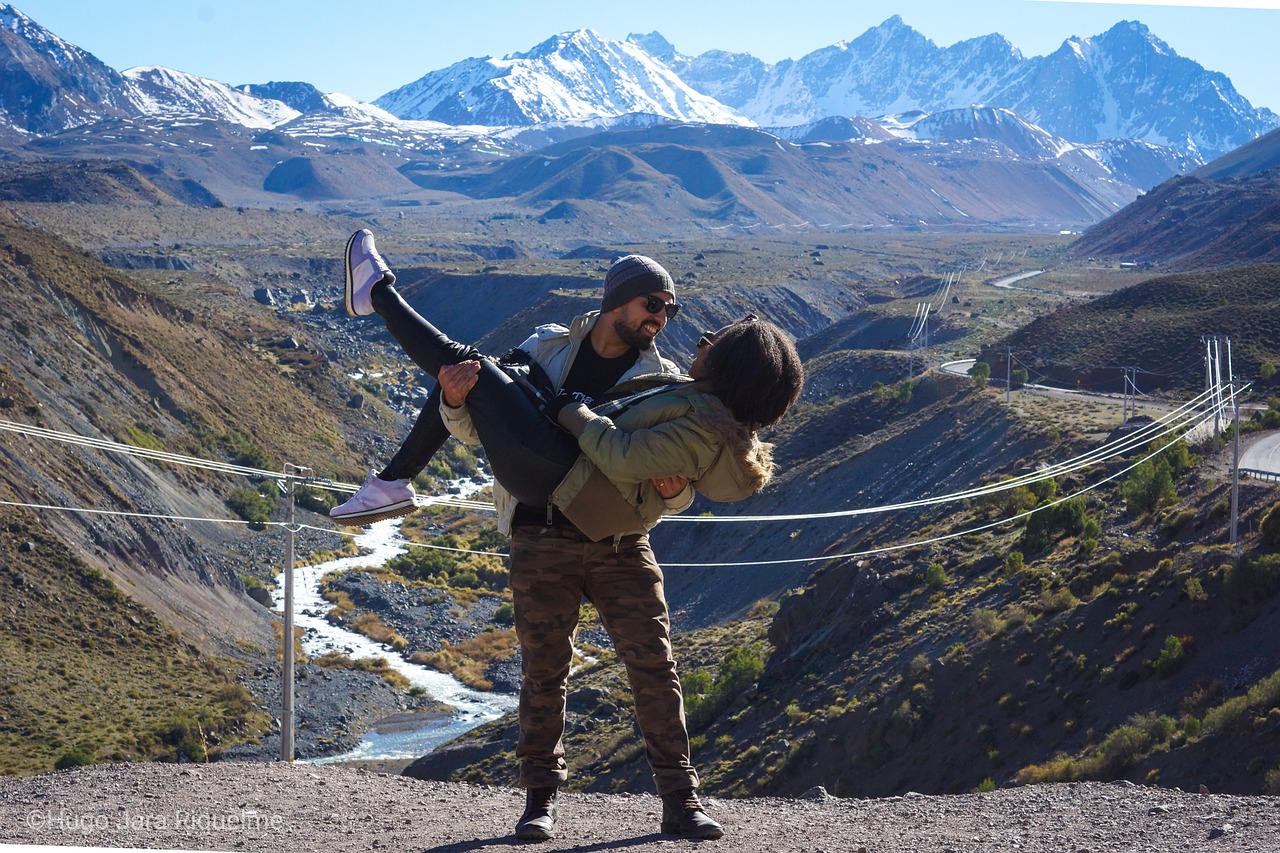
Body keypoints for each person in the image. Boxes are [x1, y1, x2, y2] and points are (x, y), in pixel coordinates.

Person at [333, 230, 803, 842]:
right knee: (542, 673)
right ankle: (538, 805)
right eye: (653, 306)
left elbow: (678, 468)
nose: (663, 320)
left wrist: (674, 491)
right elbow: (488, 438)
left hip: (620, 544)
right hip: (540, 529)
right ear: (618, 301)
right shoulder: (546, 348)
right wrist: (453, 406)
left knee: (654, 668)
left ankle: (682, 803)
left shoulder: (662, 379)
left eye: (670, 311)